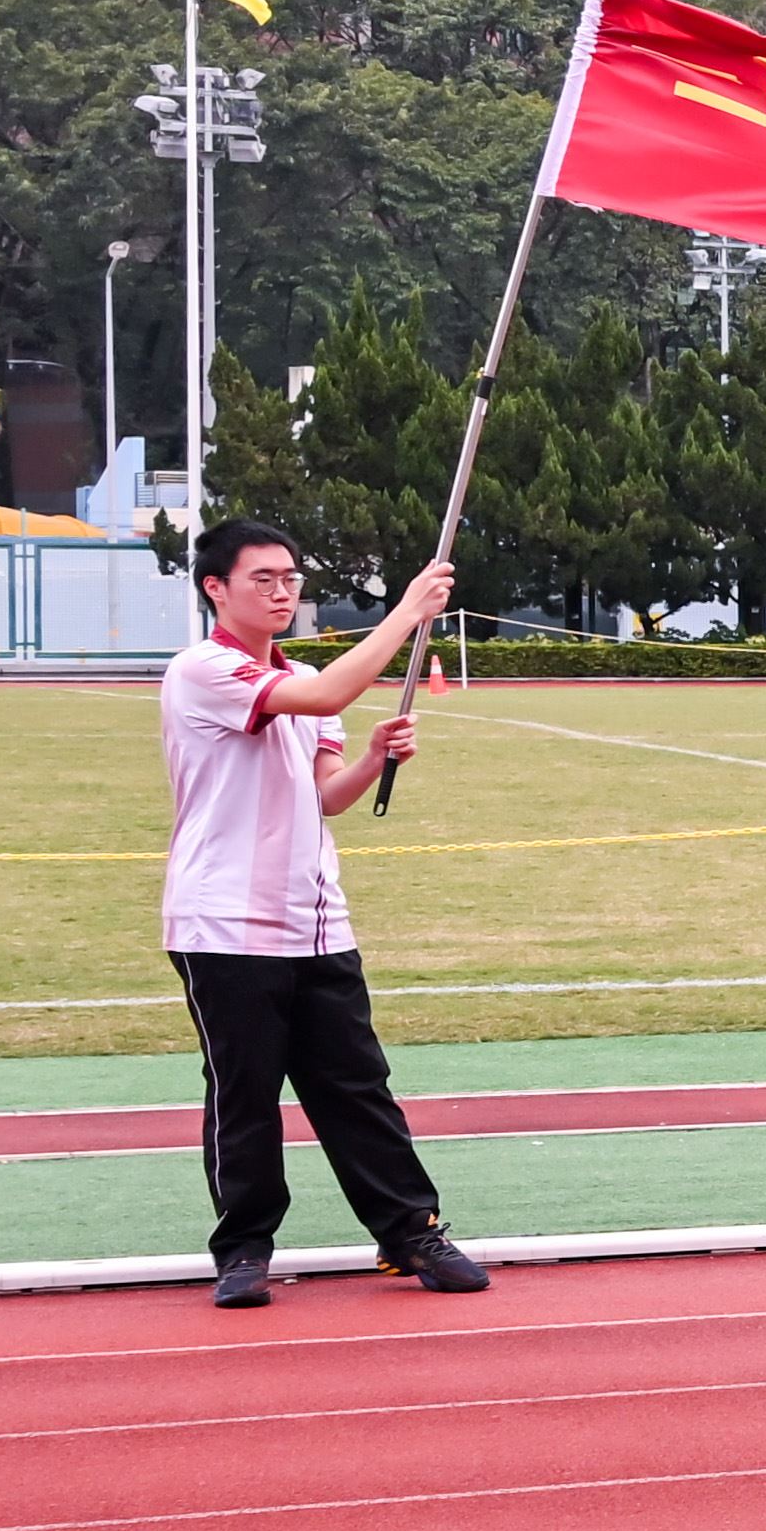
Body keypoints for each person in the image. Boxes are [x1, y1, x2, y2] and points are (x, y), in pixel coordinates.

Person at [160, 519, 486, 1307]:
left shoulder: (303, 674)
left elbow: (326, 794)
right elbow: (326, 693)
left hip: (314, 919)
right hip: (224, 923)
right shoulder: (203, 669)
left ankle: (409, 1231)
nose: (282, 593)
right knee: (244, 1093)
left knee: (356, 1085)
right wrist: (407, 611)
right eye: (263, 579)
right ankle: (244, 1249)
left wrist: (372, 757)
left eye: (290, 579)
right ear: (215, 588)